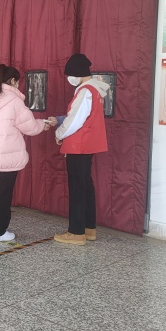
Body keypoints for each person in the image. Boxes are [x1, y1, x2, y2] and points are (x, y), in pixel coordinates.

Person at [0, 64, 50, 242]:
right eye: (17, 81)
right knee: (3, 194)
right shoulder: (14, 100)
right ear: (12, 81)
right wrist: (43, 124)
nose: (18, 85)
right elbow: (30, 127)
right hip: (7, 155)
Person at [50, 53, 109, 246]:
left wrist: (59, 133)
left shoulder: (85, 91)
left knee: (77, 188)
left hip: (79, 145)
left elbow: (75, 120)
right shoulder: (95, 89)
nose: (69, 78)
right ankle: (89, 228)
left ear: (77, 73)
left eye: (70, 74)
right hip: (88, 144)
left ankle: (76, 232)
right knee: (85, 186)